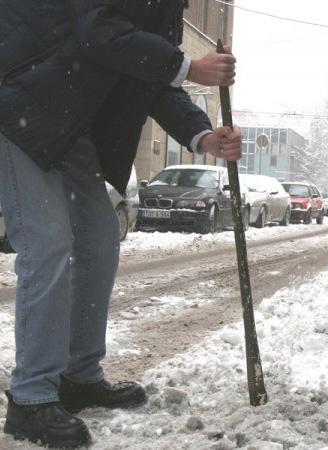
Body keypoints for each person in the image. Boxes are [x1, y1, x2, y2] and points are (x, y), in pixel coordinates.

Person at [0, 1, 242, 447]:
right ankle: (30, 398)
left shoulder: (166, 8)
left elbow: (151, 79)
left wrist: (203, 135)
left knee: (99, 240)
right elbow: (95, 29)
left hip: (68, 123)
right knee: (48, 241)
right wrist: (189, 66)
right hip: (18, 101)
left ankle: (79, 376)